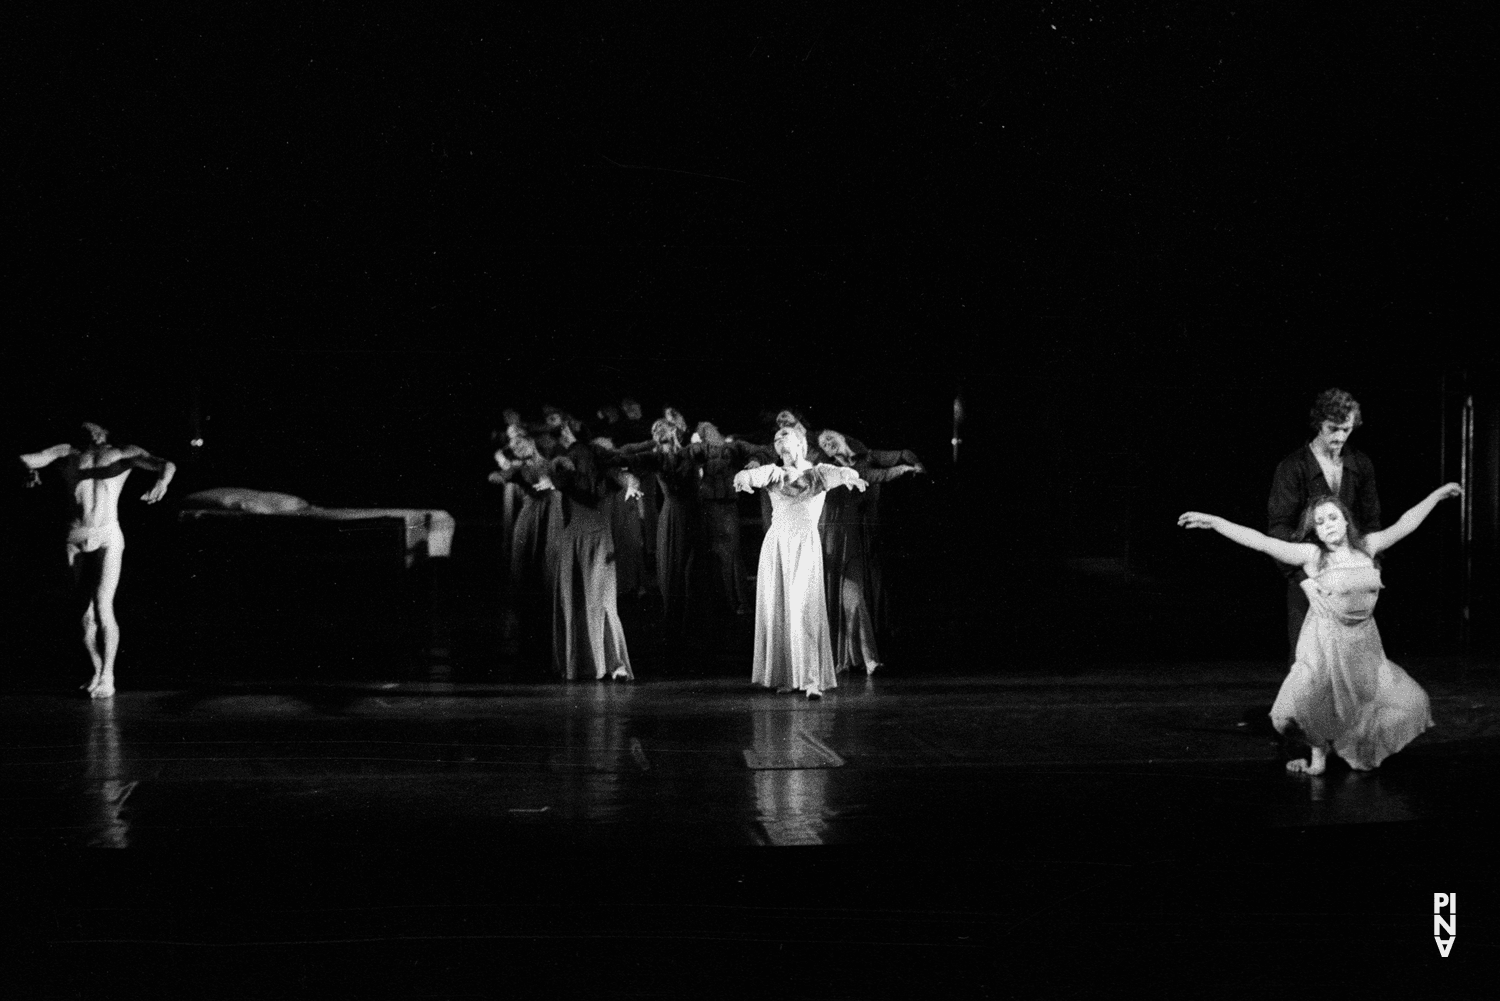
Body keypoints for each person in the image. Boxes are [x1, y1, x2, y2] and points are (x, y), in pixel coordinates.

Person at [1179, 482, 1460, 774]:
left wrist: (1437, 495)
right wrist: (1214, 522)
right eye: (1320, 522)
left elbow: (1407, 523)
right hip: (1325, 641)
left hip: (1363, 642)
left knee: (1385, 702)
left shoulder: (1368, 546)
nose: (1327, 525)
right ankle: (1318, 753)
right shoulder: (1313, 557)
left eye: (1333, 517)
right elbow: (1261, 542)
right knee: (1300, 708)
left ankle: (1344, 748)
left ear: (1346, 519)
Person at [19, 421, 176, 699]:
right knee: (82, 610)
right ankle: (96, 669)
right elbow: (27, 458)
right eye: (83, 428)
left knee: (104, 606)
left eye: (95, 428)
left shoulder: (123, 452)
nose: (89, 431)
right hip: (74, 534)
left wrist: (162, 481)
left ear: (105, 432)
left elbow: (166, 464)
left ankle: (108, 676)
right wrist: (29, 469)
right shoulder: (67, 451)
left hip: (107, 534)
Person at [734, 425, 867, 700]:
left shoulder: (816, 473)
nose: (780, 441)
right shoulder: (774, 472)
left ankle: (810, 679)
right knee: (781, 610)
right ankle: (785, 675)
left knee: (803, 609)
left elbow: (839, 473)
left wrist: (850, 475)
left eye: (786, 436)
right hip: (778, 546)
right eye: (776, 439)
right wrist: (743, 477)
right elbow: (752, 474)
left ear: (801, 443)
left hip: (805, 546)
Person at [1268, 389, 1381, 665]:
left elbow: (1372, 522)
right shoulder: (1293, 467)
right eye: (1333, 429)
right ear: (1319, 423)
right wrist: (1301, 578)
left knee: (1354, 663)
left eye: (1347, 429)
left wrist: (1372, 567)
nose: (1340, 437)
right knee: (1308, 661)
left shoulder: (1360, 464)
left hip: (1349, 574)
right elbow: (1278, 527)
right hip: (1308, 575)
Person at [816, 430, 922, 675]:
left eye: (831, 438)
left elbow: (892, 462)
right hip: (833, 537)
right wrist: (900, 471)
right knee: (840, 598)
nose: (828, 443)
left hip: (863, 534)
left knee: (860, 596)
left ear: (843, 438)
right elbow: (872, 475)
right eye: (823, 443)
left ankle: (869, 655)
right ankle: (847, 656)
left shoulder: (867, 457)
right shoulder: (828, 469)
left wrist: (914, 466)